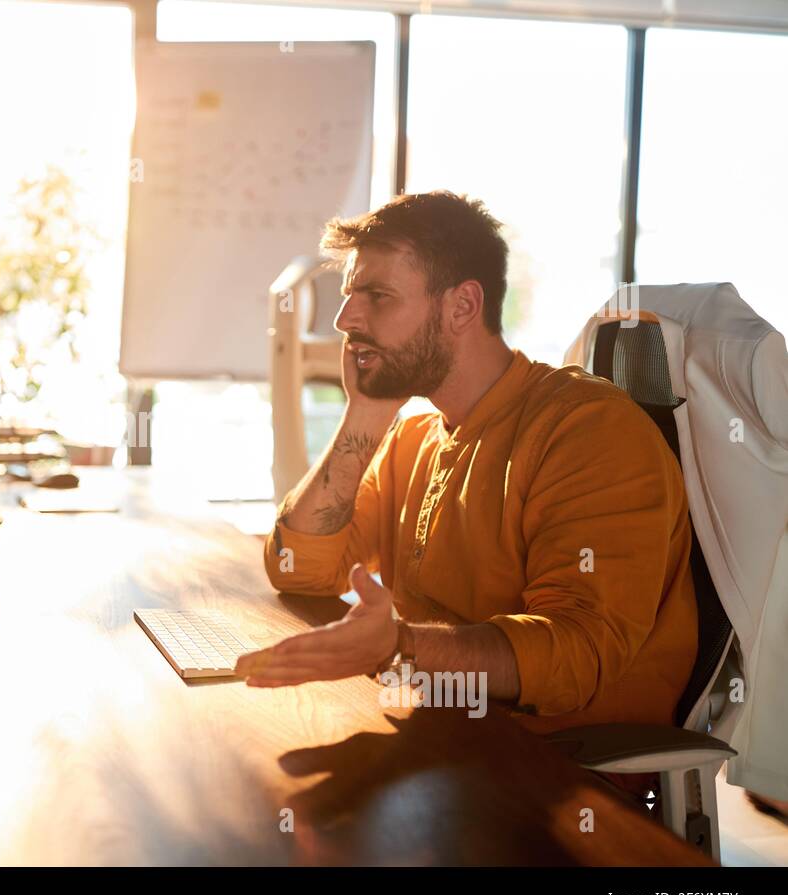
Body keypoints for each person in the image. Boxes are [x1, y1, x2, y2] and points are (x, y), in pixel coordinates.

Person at [237, 191, 697, 739]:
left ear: (462, 306)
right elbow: (298, 569)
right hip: (437, 727)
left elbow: (574, 657)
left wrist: (401, 646)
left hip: (554, 762)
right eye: (348, 295)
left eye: (377, 296)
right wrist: (364, 412)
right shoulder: (412, 438)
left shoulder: (590, 431)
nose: (344, 319)